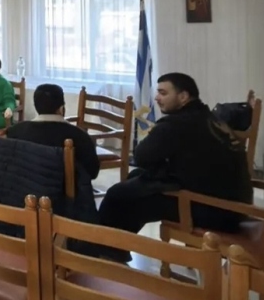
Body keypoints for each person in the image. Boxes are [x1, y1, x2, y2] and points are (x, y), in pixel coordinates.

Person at [98, 73, 252, 260]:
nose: (157, 98)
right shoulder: (211, 118)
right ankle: (115, 251)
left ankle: (103, 255)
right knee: (135, 179)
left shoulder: (177, 123)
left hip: (212, 210)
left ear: (183, 96)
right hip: (236, 207)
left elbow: (141, 156)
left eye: (163, 93)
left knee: (117, 195)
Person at [6, 84, 100, 179]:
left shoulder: (15, 131)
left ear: (36, 107)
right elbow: (92, 172)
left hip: (24, 185)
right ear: (61, 109)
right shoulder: (80, 136)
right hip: (62, 188)